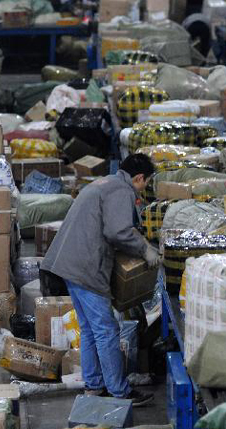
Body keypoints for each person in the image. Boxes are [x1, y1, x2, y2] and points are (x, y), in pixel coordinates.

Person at [41, 154, 161, 404]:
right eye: (145, 183)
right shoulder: (122, 191)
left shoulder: (105, 182)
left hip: (68, 263)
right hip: (86, 266)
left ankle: (94, 385)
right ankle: (119, 391)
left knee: (89, 329)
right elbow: (118, 231)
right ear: (138, 178)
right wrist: (145, 249)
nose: (143, 189)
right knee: (106, 330)